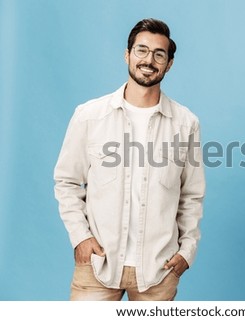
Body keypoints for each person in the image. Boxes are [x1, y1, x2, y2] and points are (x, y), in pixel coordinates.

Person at [54, 18, 205, 301]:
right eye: (141, 50)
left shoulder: (186, 124)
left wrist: (187, 252)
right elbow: (66, 182)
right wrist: (81, 238)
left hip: (159, 270)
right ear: (127, 55)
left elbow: (191, 196)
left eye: (159, 54)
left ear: (169, 64)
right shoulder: (89, 116)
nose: (149, 60)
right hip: (98, 264)